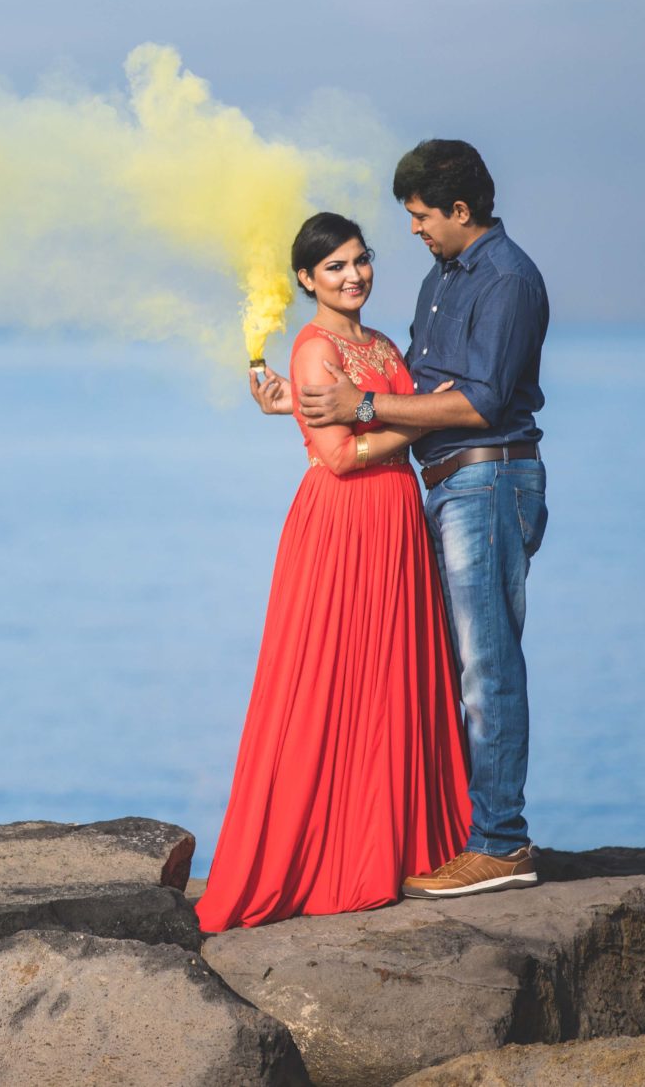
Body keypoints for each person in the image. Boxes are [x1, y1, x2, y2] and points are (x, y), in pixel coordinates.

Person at [254, 139, 549, 900]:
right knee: (445, 668)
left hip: (487, 480)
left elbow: (475, 400)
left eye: (420, 216)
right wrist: (302, 399)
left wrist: (362, 409)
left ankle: (500, 842)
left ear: (459, 210)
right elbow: (391, 398)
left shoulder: (507, 282)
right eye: (338, 263)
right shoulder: (443, 280)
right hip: (439, 490)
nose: (413, 230)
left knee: (485, 666)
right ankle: (469, 834)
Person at [195, 212, 472, 932]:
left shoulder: (377, 343)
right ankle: (333, 855)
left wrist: (359, 410)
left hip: (394, 521)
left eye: (360, 260)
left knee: (391, 679)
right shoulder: (314, 347)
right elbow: (342, 455)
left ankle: (397, 844)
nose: (354, 276)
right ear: (306, 280)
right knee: (330, 681)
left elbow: (348, 423)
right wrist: (426, 418)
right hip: (343, 526)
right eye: (336, 268)